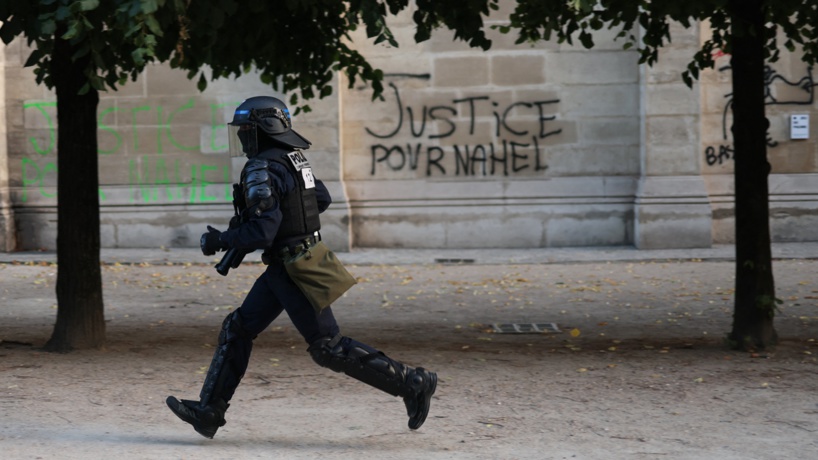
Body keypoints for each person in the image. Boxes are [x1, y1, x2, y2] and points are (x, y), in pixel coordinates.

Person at [166, 96, 437, 439]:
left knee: (328, 347)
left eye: (246, 131)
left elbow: (262, 232)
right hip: (294, 262)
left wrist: (220, 239)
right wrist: (290, 219)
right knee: (238, 328)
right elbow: (319, 198)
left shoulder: (261, 167)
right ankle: (209, 411)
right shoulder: (295, 159)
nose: (243, 139)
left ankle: (413, 382)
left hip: (292, 269)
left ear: (264, 130)